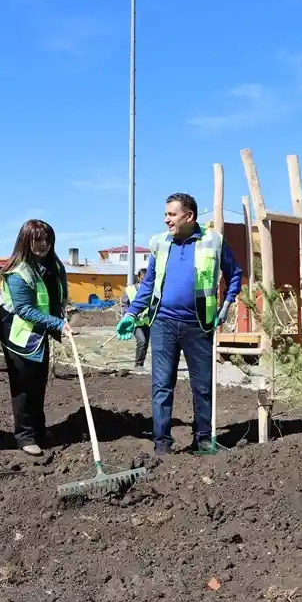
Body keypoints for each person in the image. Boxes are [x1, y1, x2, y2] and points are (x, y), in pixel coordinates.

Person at [116, 193, 243, 455]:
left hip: (199, 325)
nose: (166, 220)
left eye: (172, 215)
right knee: (162, 385)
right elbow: (149, 283)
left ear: (189, 216)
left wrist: (226, 306)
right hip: (163, 323)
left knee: (203, 385)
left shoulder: (213, 241)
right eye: (166, 214)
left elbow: (235, 275)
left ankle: (203, 439)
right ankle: (162, 442)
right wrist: (132, 314)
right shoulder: (160, 243)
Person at [0, 220, 71, 456]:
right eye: (38, 239)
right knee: (24, 387)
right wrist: (58, 323)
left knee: (39, 383)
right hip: (18, 336)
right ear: (26, 240)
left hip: (39, 334)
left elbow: (55, 297)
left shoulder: (50, 265)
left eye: (47, 239)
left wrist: (61, 318)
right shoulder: (18, 272)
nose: (44, 244)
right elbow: (25, 310)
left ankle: (39, 429)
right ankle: (24, 435)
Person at [120, 268, 150, 369]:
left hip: (147, 321)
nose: (144, 281)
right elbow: (124, 304)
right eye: (143, 279)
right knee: (142, 340)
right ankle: (138, 365)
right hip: (134, 322)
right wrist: (128, 314)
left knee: (145, 343)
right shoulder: (130, 290)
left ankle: (140, 363)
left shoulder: (150, 290)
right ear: (138, 278)